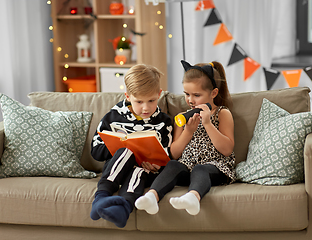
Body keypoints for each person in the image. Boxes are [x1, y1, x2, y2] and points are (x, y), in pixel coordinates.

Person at [135, 60, 236, 216]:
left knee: (200, 169)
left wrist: (208, 124)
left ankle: (193, 197)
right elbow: (174, 154)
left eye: (196, 95)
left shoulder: (222, 113)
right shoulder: (182, 117)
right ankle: (152, 197)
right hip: (187, 166)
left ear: (213, 93)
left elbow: (227, 150)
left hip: (215, 167)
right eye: (187, 94)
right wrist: (188, 131)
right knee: (174, 165)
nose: (190, 100)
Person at [90, 64, 173, 227]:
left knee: (140, 169)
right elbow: (95, 150)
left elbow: (167, 154)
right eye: (139, 101)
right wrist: (115, 143)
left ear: (159, 94)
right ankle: (101, 198)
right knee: (126, 151)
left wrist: (157, 165)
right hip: (116, 167)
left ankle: (124, 208)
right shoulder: (112, 117)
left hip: (146, 171)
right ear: (127, 96)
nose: (146, 107)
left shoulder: (164, 122)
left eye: (151, 100)